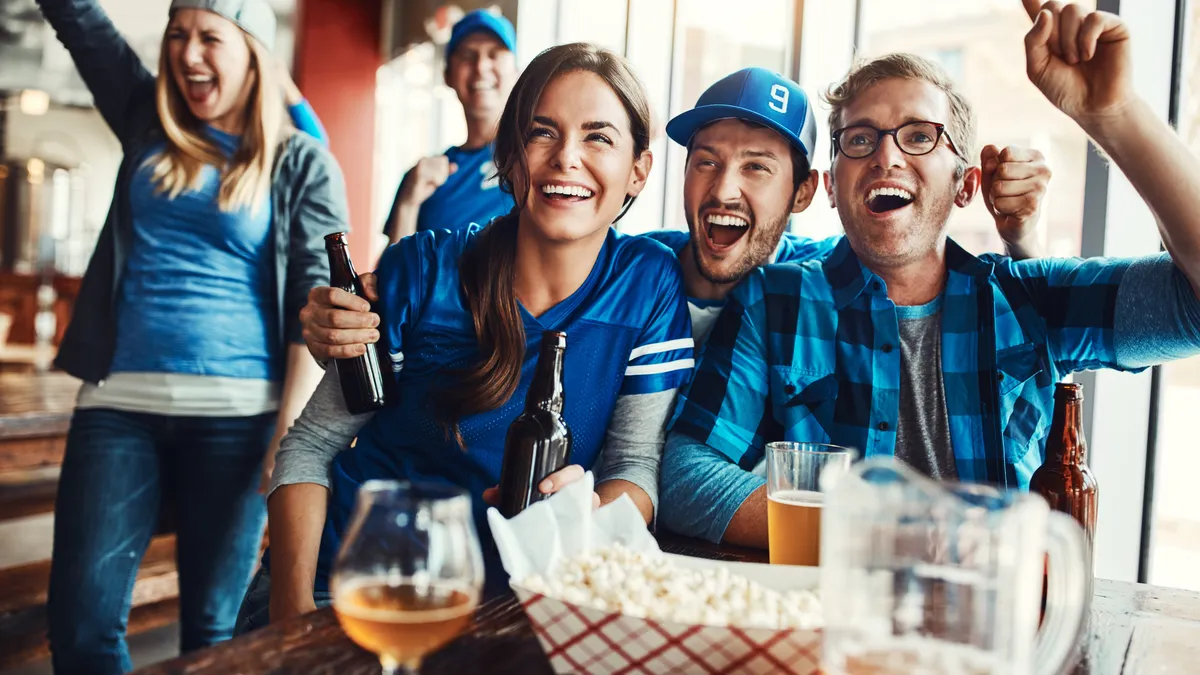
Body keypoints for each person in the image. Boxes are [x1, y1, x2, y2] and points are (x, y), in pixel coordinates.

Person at [663, 0, 1200, 549]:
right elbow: (685, 475)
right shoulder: (775, 300)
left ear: (966, 184)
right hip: (831, 622)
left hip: (994, 625)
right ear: (829, 186)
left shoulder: (1025, 298)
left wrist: (1115, 114)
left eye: (919, 135)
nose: (885, 157)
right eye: (860, 139)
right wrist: (877, 534)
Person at [238, 42, 694, 631]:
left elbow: (633, 464)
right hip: (347, 593)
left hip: (503, 613)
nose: (566, 159)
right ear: (509, 154)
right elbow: (309, 448)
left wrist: (585, 516)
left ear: (639, 169)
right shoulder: (423, 271)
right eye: (542, 132)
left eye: (598, 137)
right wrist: (292, 617)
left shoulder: (648, 283)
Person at [302, 68, 1050, 362]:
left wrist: (1018, 231)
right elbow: (521, 246)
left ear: (803, 193)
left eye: (758, 166)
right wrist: (364, 301)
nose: (724, 188)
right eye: (706, 159)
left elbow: (939, 287)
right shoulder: (639, 266)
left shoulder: (813, 283)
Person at [36, 0, 347, 671]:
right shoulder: (147, 118)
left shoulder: (302, 162)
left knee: (216, 637)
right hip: (118, 406)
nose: (187, 52)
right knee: (82, 626)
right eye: (177, 35)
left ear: (253, 52)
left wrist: (288, 435)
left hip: (238, 422)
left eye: (210, 36)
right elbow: (82, 23)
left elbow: (311, 301)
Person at [383, 9, 519, 243]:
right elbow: (394, 274)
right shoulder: (421, 178)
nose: (481, 66)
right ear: (447, 75)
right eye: (468, 55)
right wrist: (408, 203)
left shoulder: (533, 157)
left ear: (517, 72)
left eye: (494, 54)